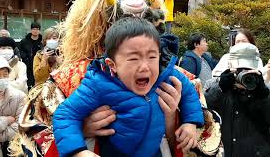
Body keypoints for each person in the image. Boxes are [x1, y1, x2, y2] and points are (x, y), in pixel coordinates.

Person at [9, 0, 197, 156]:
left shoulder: (173, 74)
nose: (144, 65)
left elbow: (200, 137)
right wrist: (82, 131)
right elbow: (37, 134)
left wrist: (173, 122)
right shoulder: (69, 78)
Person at [53, 17, 203, 157]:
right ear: (112, 64)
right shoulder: (98, 82)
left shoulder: (167, 73)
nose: (145, 67)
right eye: (133, 58)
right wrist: (77, 151)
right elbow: (65, 114)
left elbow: (189, 92)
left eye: (152, 57)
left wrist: (190, 122)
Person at [204, 43, 270, 157]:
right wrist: (219, 88)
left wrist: (264, 95)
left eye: (247, 69)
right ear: (230, 66)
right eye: (239, 69)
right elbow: (202, 112)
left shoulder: (267, 90)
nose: (243, 74)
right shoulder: (217, 86)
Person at [19, 22, 43, 89]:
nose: (35, 31)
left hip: (39, 65)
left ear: (39, 30)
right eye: (34, 29)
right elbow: (19, 50)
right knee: (28, 84)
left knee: (39, 83)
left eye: (37, 29)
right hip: (27, 65)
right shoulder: (24, 41)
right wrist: (25, 57)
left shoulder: (42, 41)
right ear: (31, 30)